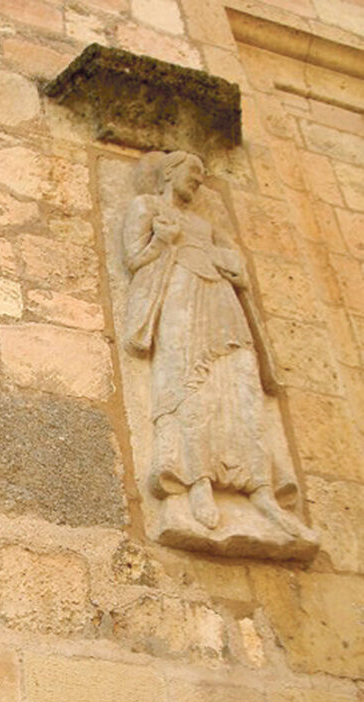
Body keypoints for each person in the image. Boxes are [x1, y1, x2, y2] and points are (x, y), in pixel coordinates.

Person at [122, 149, 302, 536]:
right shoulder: (146, 206)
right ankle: (197, 483)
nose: (198, 180)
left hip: (221, 302)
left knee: (242, 386)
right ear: (170, 172)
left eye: (203, 175)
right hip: (179, 299)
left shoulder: (205, 224)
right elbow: (133, 259)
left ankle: (262, 490)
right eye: (193, 171)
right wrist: (161, 242)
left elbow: (237, 264)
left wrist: (232, 267)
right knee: (190, 389)